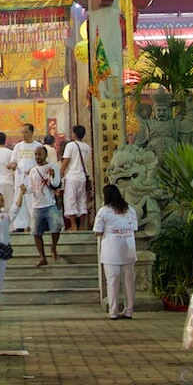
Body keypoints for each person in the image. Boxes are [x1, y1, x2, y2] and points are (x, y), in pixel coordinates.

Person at [94, 183, 138, 320]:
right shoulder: (130, 209)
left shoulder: (104, 211)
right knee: (129, 282)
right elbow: (135, 227)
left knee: (112, 282)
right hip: (128, 250)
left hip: (111, 252)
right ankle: (129, 311)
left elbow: (97, 231)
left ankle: (113, 312)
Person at [15, 145, 62, 267]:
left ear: (45, 155)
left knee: (56, 228)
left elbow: (56, 184)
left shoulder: (53, 167)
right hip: (37, 206)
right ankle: (42, 257)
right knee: (36, 233)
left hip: (50, 203)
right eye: (35, 155)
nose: (37, 157)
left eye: (39, 154)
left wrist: (52, 176)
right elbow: (32, 188)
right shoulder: (33, 171)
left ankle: (53, 247)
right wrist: (25, 190)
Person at [10, 124, 43, 232]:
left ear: (32, 132)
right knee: (19, 201)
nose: (23, 135)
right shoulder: (18, 146)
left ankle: (33, 225)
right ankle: (20, 226)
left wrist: (33, 170)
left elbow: (42, 162)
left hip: (33, 179)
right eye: (22, 132)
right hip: (20, 179)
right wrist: (13, 165)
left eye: (26, 132)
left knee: (32, 202)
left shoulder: (38, 146)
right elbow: (13, 160)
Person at [61, 125, 90, 230]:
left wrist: (61, 173)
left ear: (74, 134)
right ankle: (82, 225)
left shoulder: (71, 145)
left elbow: (66, 161)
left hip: (72, 176)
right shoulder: (86, 147)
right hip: (82, 177)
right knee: (82, 201)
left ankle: (73, 225)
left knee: (70, 200)